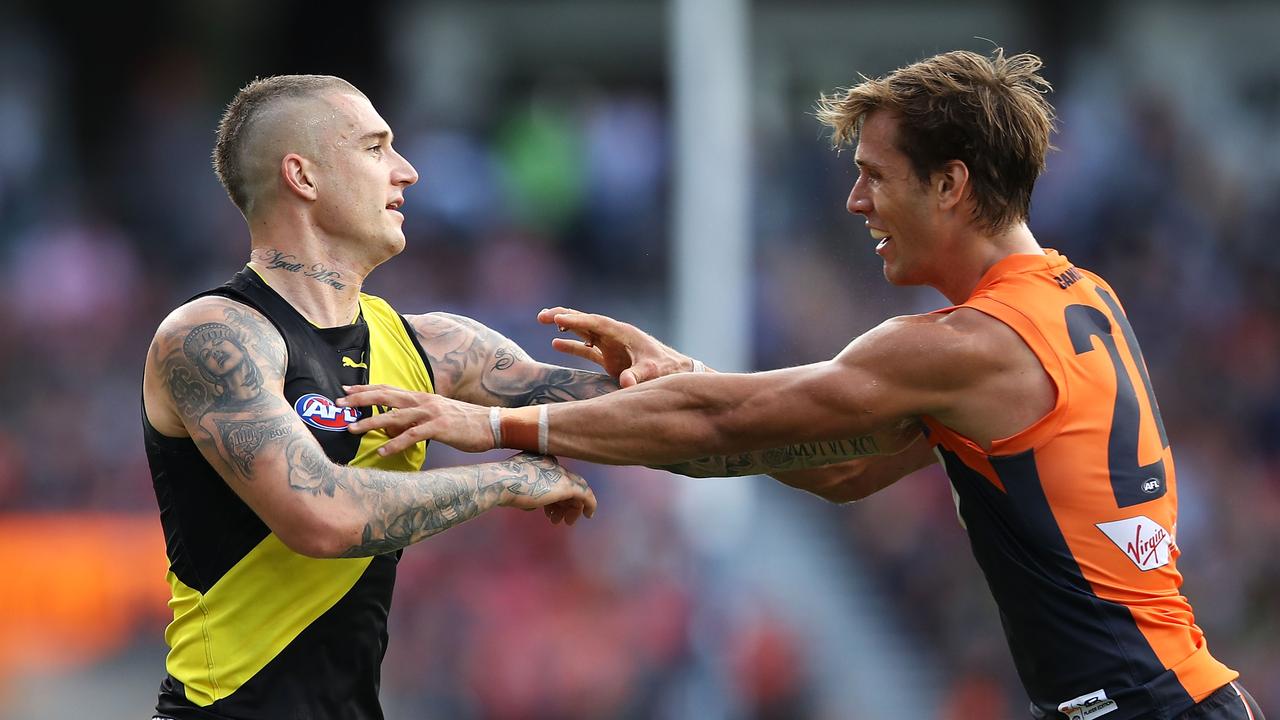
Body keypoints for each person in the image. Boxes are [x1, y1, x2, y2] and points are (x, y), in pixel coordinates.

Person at [340, 50, 1266, 720]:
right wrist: (687, 384)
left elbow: (724, 426)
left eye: (873, 176)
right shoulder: (1074, 299)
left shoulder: (966, 345)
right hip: (1171, 697)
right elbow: (835, 469)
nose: (856, 203)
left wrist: (491, 424)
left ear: (949, 184)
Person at [140, 74, 609, 720]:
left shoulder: (437, 347)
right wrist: (505, 480)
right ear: (303, 177)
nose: (408, 172)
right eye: (376, 147)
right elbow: (320, 516)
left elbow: (619, 412)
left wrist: (678, 372)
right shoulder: (210, 338)